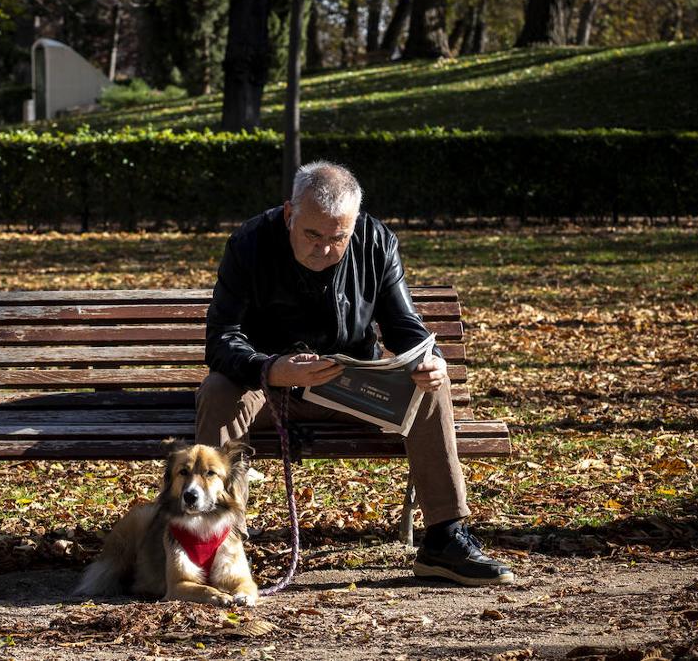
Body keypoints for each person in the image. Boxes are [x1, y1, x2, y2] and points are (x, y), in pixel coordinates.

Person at [196, 159, 514, 586]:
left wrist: (428, 358)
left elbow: (405, 327)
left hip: (351, 386)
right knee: (218, 390)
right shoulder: (249, 243)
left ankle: (445, 538)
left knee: (430, 388)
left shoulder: (376, 240)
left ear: (355, 223)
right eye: (312, 234)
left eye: (338, 238)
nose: (325, 250)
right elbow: (221, 339)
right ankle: (216, 542)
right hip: (266, 387)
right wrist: (271, 369)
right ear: (290, 214)